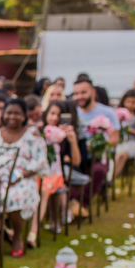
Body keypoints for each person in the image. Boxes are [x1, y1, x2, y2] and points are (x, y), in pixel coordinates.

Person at [0, 98, 49, 258]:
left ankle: (17, 237)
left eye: (17, 113)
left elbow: (40, 160)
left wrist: (20, 175)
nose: (12, 116)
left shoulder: (32, 135)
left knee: (14, 196)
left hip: (22, 178)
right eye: (9, 113)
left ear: (24, 116)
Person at [36, 99, 81, 235]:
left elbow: (76, 161)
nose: (55, 118)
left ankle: (34, 230)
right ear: (46, 113)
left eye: (59, 115)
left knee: (45, 189)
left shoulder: (66, 135)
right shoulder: (38, 131)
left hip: (55, 175)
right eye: (52, 113)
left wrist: (73, 142)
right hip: (37, 173)